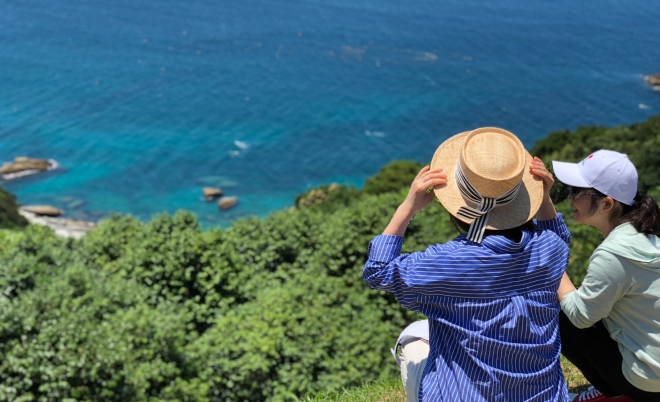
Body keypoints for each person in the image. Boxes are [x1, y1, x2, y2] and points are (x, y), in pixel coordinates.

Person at [363, 127, 572, 401]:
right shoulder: (550, 250)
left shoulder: (449, 262)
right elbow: (558, 238)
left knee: (412, 337)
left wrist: (408, 206)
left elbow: (378, 271)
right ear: (522, 196)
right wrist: (543, 197)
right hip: (546, 396)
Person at [553, 150, 660, 402]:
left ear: (607, 204)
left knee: (563, 311)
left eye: (577, 192)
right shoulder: (649, 235)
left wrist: (553, 264)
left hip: (648, 381)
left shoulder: (613, 253)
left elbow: (580, 318)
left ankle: (615, 393)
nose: (570, 198)